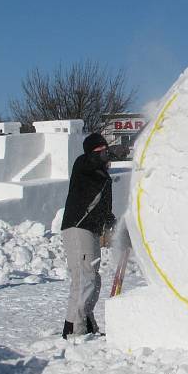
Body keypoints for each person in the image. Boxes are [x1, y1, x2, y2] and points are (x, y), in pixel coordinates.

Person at [60, 133, 116, 338]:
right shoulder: (83, 165)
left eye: (105, 148)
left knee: (89, 278)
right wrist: (101, 155)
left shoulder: (102, 175)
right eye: (100, 150)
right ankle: (77, 328)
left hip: (90, 228)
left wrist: (112, 223)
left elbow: (103, 206)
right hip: (78, 226)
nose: (104, 153)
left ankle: (80, 324)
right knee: (86, 278)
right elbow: (91, 160)